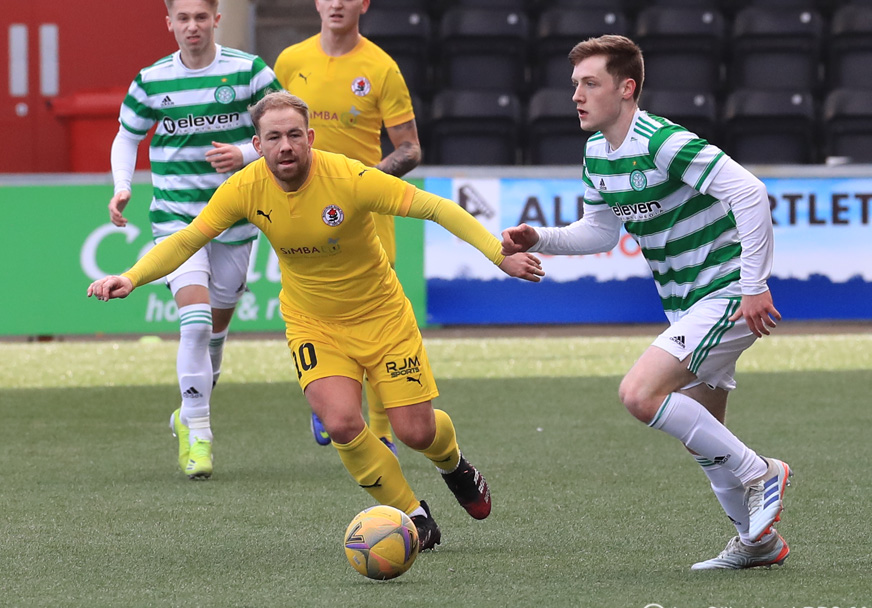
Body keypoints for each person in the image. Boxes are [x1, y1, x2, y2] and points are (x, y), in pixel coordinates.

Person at [88, 91, 544, 549]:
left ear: (309, 138)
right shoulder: (244, 187)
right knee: (342, 422)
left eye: (292, 135)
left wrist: (497, 255)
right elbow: (189, 237)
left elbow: (434, 207)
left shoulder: (348, 177)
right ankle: (413, 515)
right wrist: (133, 277)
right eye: (273, 137)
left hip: (381, 315)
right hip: (313, 323)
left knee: (415, 431)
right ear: (258, 144)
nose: (284, 146)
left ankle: (454, 465)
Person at [501, 35, 793, 571]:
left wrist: (754, 285)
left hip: (725, 291)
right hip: (688, 305)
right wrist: (538, 238)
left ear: (626, 88)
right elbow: (598, 233)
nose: (577, 96)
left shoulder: (661, 140)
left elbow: (749, 192)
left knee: (639, 394)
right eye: (575, 85)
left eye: (590, 83)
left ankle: (761, 474)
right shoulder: (596, 153)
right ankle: (759, 544)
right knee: (704, 436)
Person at [108, 0, 280, 480]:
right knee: (197, 323)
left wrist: (246, 151)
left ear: (216, 20)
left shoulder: (248, 72)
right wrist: (123, 185)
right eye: (182, 18)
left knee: (216, 338)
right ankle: (200, 436)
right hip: (177, 220)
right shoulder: (151, 80)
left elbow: (284, 126)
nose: (192, 26)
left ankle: (186, 414)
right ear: (169, 23)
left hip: (237, 220)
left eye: (200, 17)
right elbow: (126, 136)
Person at [274, 0, 421, 452]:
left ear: (364, 4)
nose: (336, 3)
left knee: (376, 315)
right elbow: (271, 131)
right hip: (301, 213)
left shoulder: (381, 68)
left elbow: (410, 148)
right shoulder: (291, 60)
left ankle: (379, 430)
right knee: (316, 307)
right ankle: (331, 400)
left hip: (365, 215)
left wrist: (365, 183)